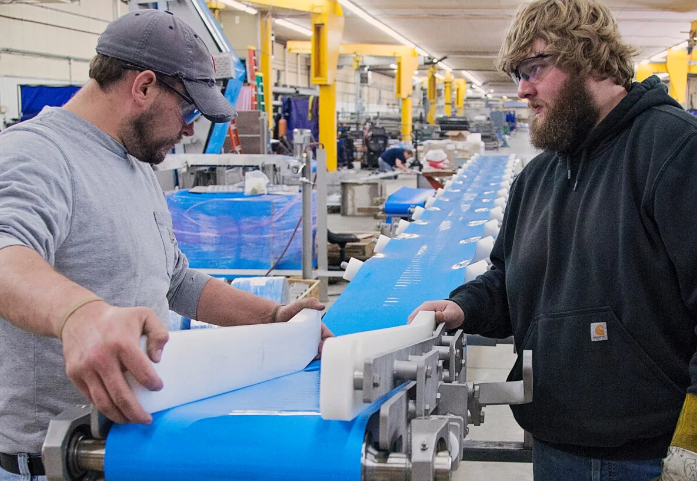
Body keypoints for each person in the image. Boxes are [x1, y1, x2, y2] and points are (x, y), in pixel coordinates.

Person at [0, 10, 332, 480]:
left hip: (128, 451)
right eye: (189, 111)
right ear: (143, 87)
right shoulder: (37, 155)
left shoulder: (134, 164)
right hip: (53, 463)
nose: (189, 129)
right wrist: (79, 314)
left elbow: (176, 280)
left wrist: (274, 318)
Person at [409, 0, 697, 480]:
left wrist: (690, 446)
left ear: (590, 58)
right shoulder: (540, 175)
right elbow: (510, 279)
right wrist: (464, 308)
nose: (522, 89)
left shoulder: (673, 150)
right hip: (557, 443)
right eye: (518, 73)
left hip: (649, 456)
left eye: (535, 68)